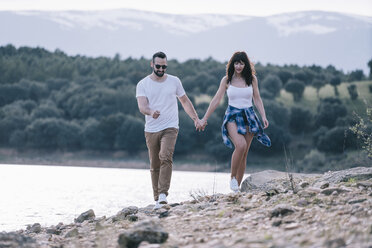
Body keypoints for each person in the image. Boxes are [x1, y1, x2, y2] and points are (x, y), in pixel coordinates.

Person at [136, 51, 202, 209]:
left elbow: (185, 101)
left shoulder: (174, 81)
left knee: (165, 156)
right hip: (151, 128)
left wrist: (196, 119)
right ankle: (157, 199)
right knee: (155, 163)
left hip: (170, 127)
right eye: (158, 66)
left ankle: (163, 194)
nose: (161, 69)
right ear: (152, 64)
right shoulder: (143, 84)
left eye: (164, 66)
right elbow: (142, 106)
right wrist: (152, 112)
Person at [200, 51, 271, 192]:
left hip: (249, 116)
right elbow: (216, 99)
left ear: (246, 65)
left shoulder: (252, 79)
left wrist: (263, 115)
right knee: (240, 145)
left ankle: (236, 189)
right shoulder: (227, 80)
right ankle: (232, 178)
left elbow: (257, 98)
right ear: (232, 64)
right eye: (236, 63)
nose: (239, 66)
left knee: (244, 153)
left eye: (242, 63)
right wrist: (205, 118)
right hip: (232, 115)